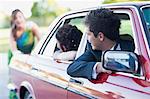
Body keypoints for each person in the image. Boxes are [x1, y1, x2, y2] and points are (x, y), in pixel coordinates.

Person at [67, 8, 135, 80]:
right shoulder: (93, 51)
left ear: (100, 36)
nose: (87, 39)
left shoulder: (132, 49)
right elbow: (72, 68)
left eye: (89, 34)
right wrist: (100, 67)